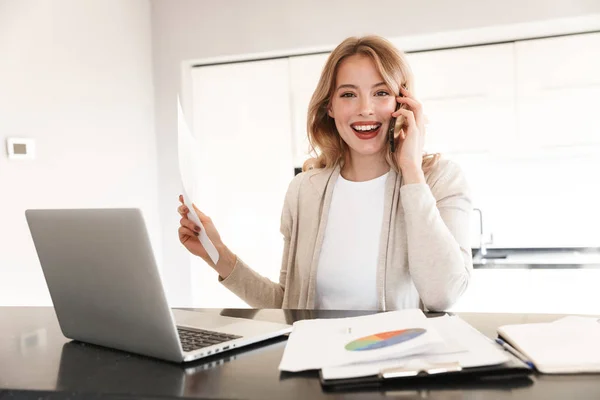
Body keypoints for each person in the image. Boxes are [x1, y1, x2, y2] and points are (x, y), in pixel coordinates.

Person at [177, 35, 472, 312]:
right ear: (329, 106)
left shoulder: (439, 179)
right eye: (348, 95)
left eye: (381, 92)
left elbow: (442, 295)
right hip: (318, 363)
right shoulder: (305, 190)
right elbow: (288, 307)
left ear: (403, 102)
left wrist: (411, 171)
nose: (365, 109)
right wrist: (216, 253)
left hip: (401, 364)